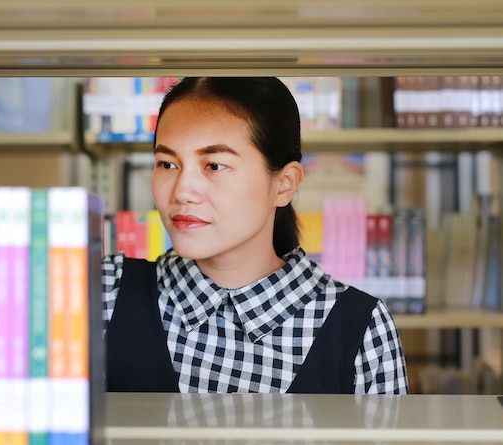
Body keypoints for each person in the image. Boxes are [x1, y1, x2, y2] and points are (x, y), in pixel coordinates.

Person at [102, 77, 409, 394]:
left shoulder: (361, 328)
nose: (182, 191)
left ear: (284, 184)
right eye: (167, 163)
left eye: (215, 165)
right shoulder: (106, 292)